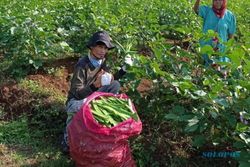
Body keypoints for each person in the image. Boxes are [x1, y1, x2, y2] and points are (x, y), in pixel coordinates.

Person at [61, 31, 127, 153]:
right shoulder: (82, 65)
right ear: (92, 47)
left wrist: (123, 71)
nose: (102, 51)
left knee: (115, 85)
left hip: (92, 96)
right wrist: (95, 85)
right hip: (76, 101)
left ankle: (99, 131)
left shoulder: (103, 62)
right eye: (100, 47)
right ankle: (68, 138)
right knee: (85, 106)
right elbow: (77, 93)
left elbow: (109, 80)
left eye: (105, 48)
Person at [193, 0, 236, 75]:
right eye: (215, 0)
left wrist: (228, 50)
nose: (217, 2)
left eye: (220, 0)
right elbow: (196, 9)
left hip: (221, 50)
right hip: (207, 47)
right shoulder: (207, 11)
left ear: (223, 1)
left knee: (220, 72)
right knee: (205, 70)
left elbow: (230, 36)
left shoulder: (229, 15)